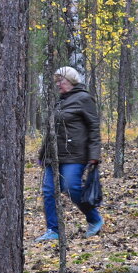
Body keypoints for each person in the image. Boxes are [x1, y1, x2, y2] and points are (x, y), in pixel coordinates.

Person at [36, 66, 103, 241]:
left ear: (71, 81)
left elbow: (94, 128)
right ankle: (53, 230)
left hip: (76, 155)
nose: (58, 84)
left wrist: (94, 155)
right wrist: (43, 155)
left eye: (61, 81)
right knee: (49, 191)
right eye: (56, 81)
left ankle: (94, 219)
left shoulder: (84, 98)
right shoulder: (60, 102)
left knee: (72, 187)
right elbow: (52, 131)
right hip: (54, 156)